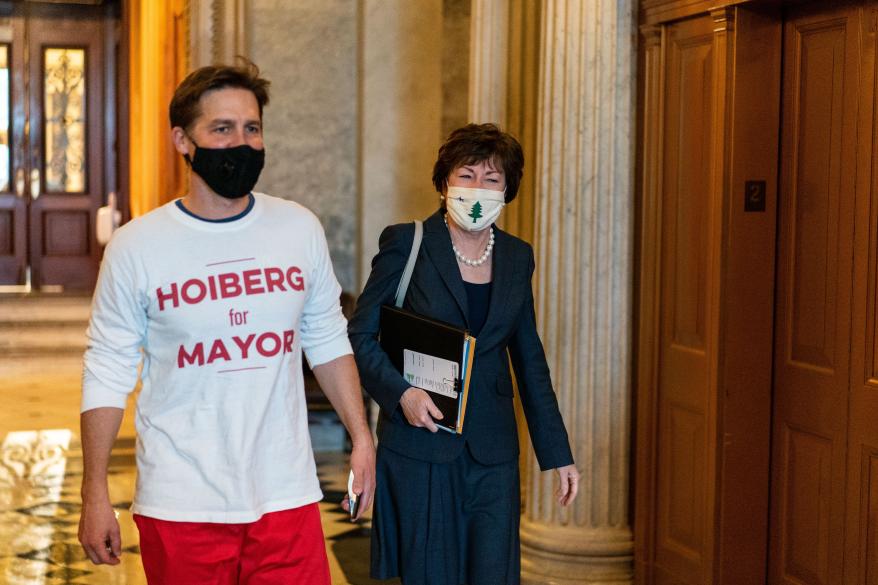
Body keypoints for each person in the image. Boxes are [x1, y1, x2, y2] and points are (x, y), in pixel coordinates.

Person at [77, 60, 375, 585]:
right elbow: (107, 368)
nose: (241, 143)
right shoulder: (137, 246)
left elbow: (326, 336)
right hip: (180, 503)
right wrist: (94, 491)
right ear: (182, 140)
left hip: (286, 494)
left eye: (251, 128)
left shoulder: (296, 228)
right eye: (222, 129)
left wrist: (361, 435)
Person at [348, 123, 579, 585]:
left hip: (492, 452)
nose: (477, 189)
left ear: (507, 189)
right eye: (466, 175)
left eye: (491, 179)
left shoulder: (517, 256)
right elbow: (360, 335)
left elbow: (528, 356)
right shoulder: (406, 243)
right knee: (430, 573)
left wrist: (556, 451)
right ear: (443, 183)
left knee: (492, 574)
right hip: (421, 443)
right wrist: (401, 395)